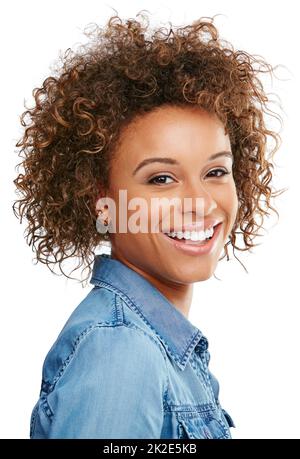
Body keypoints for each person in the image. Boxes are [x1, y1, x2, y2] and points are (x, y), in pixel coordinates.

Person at [12, 11, 284, 439]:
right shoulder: (120, 351)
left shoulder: (156, 343)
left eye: (216, 172)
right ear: (103, 204)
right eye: (161, 178)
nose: (200, 202)